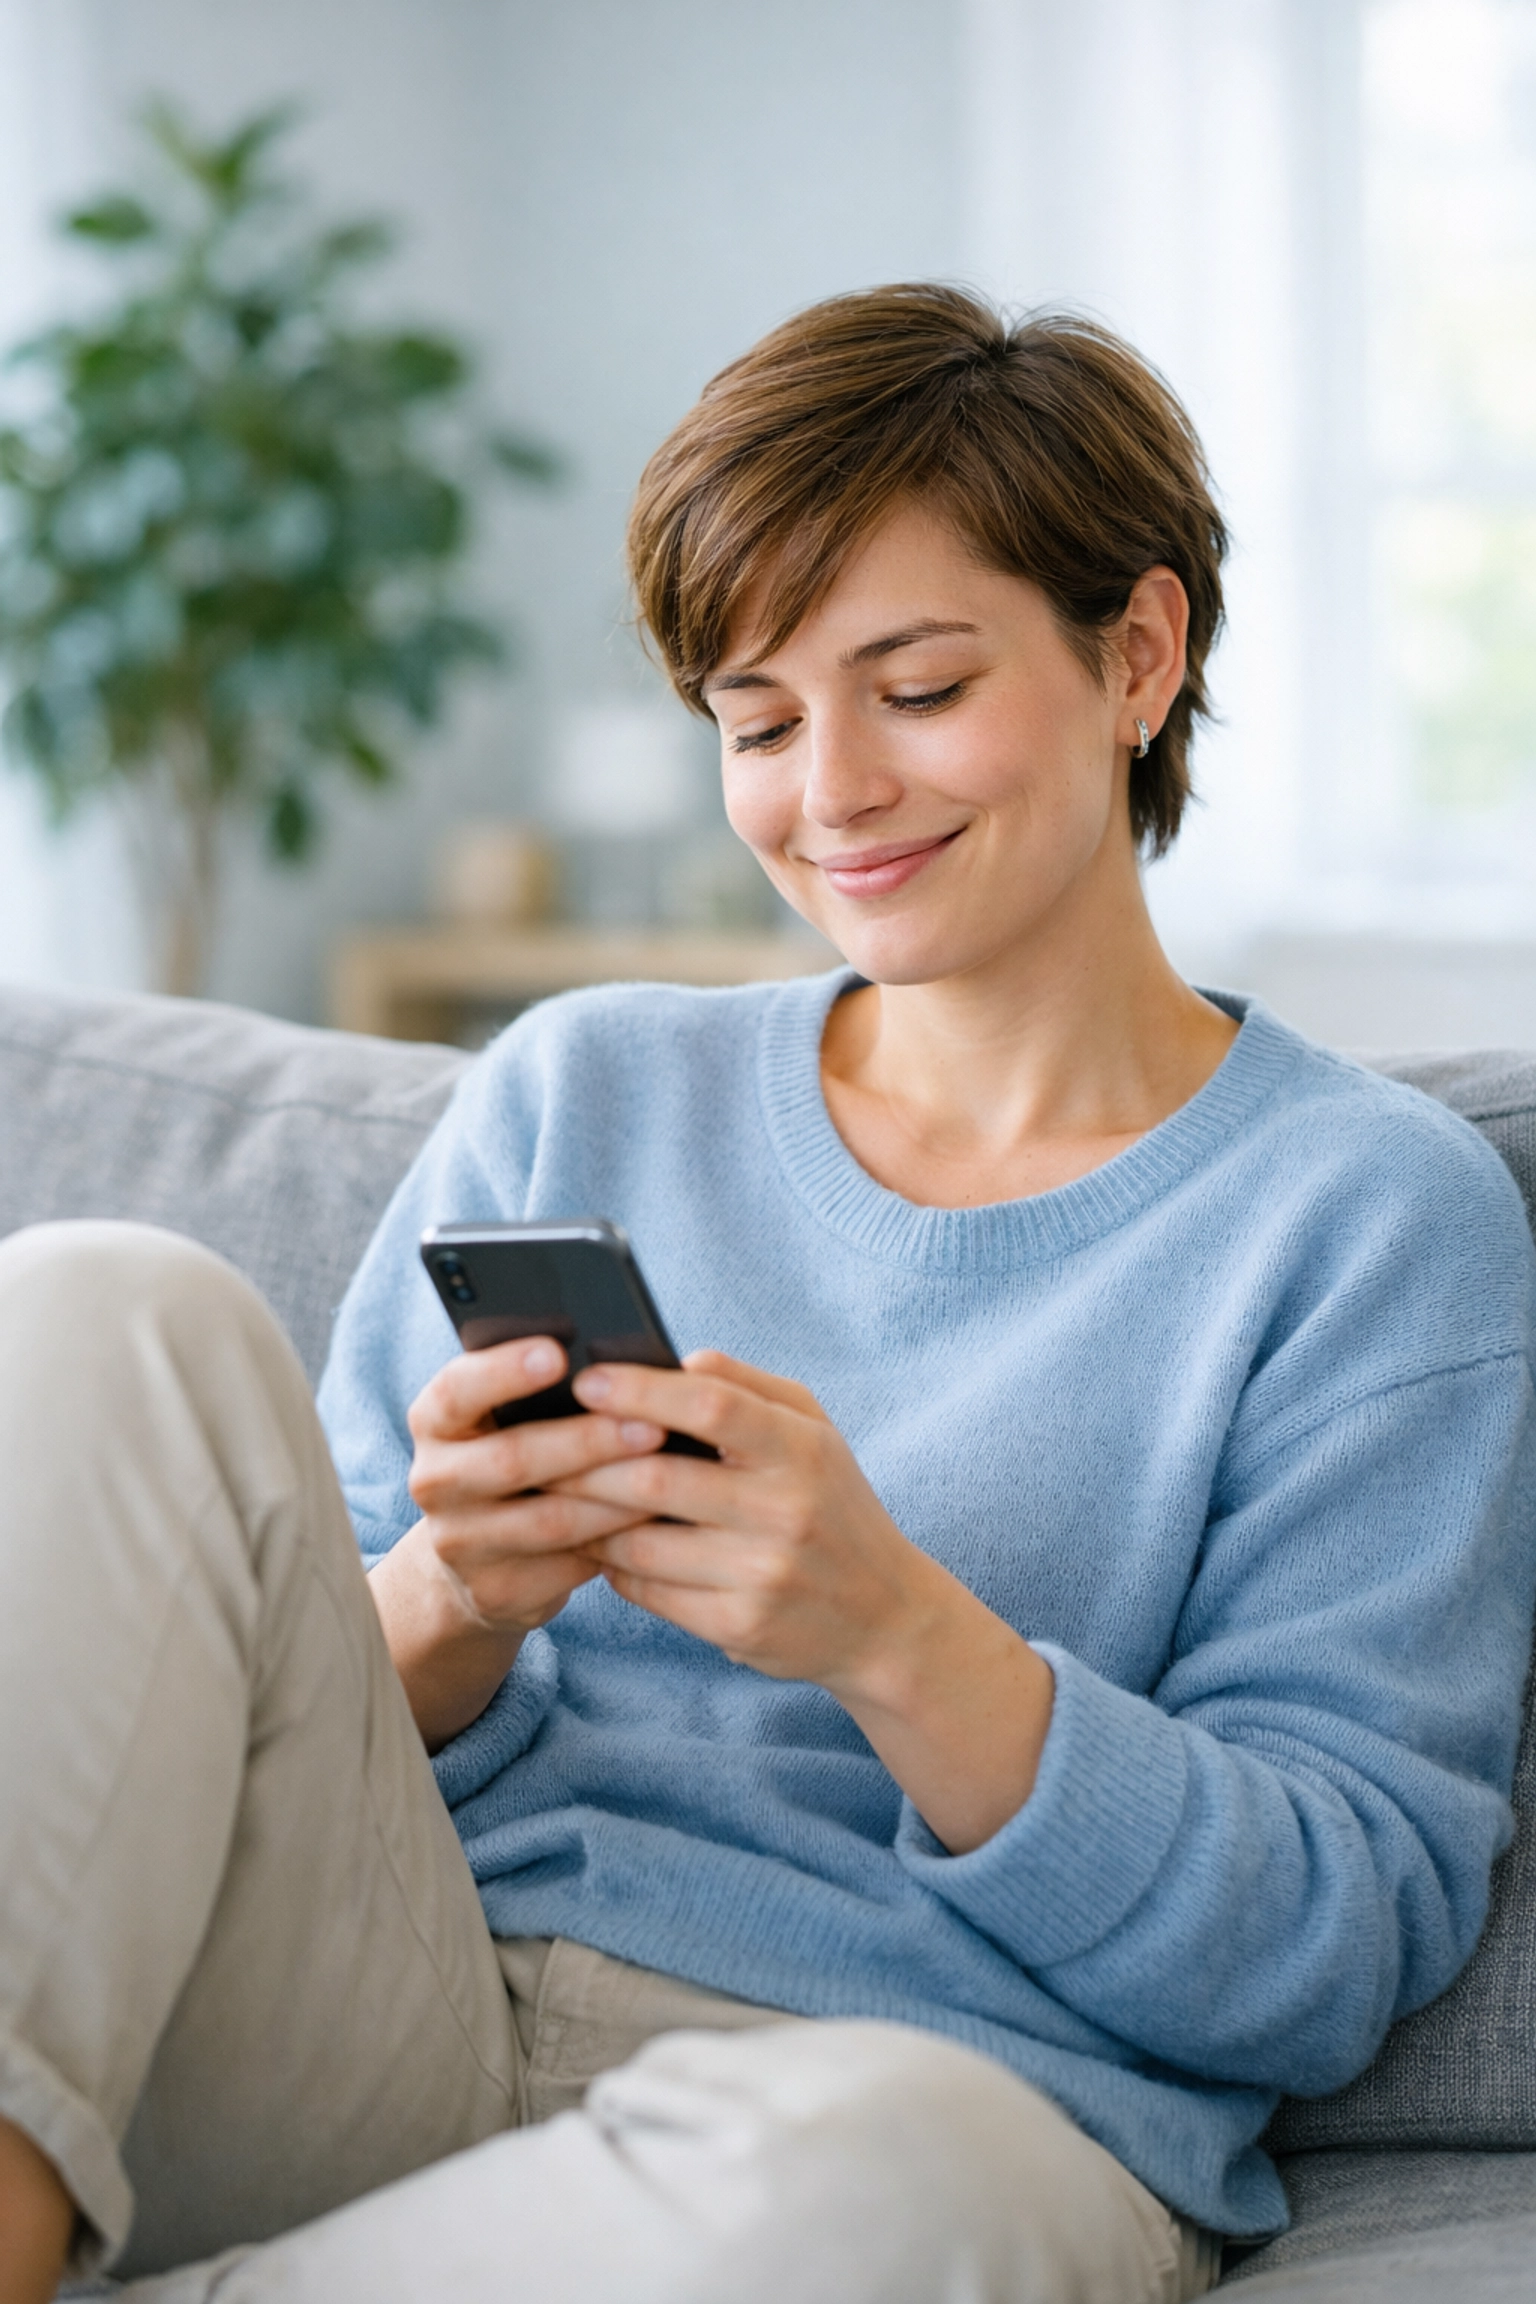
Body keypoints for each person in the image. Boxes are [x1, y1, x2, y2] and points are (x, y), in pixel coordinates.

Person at [2, 284, 1534, 2304]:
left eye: (914, 686)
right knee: (101, 1306)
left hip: (900, 2117)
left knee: (887, 2173)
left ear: (1137, 654)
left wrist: (898, 1637)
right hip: (386, 2025)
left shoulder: (1367, 1218)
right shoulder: (586, 1084)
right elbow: (236, 1722)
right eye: (757, 719)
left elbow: (1322, 1957)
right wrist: (462, 1592)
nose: (832, 794)